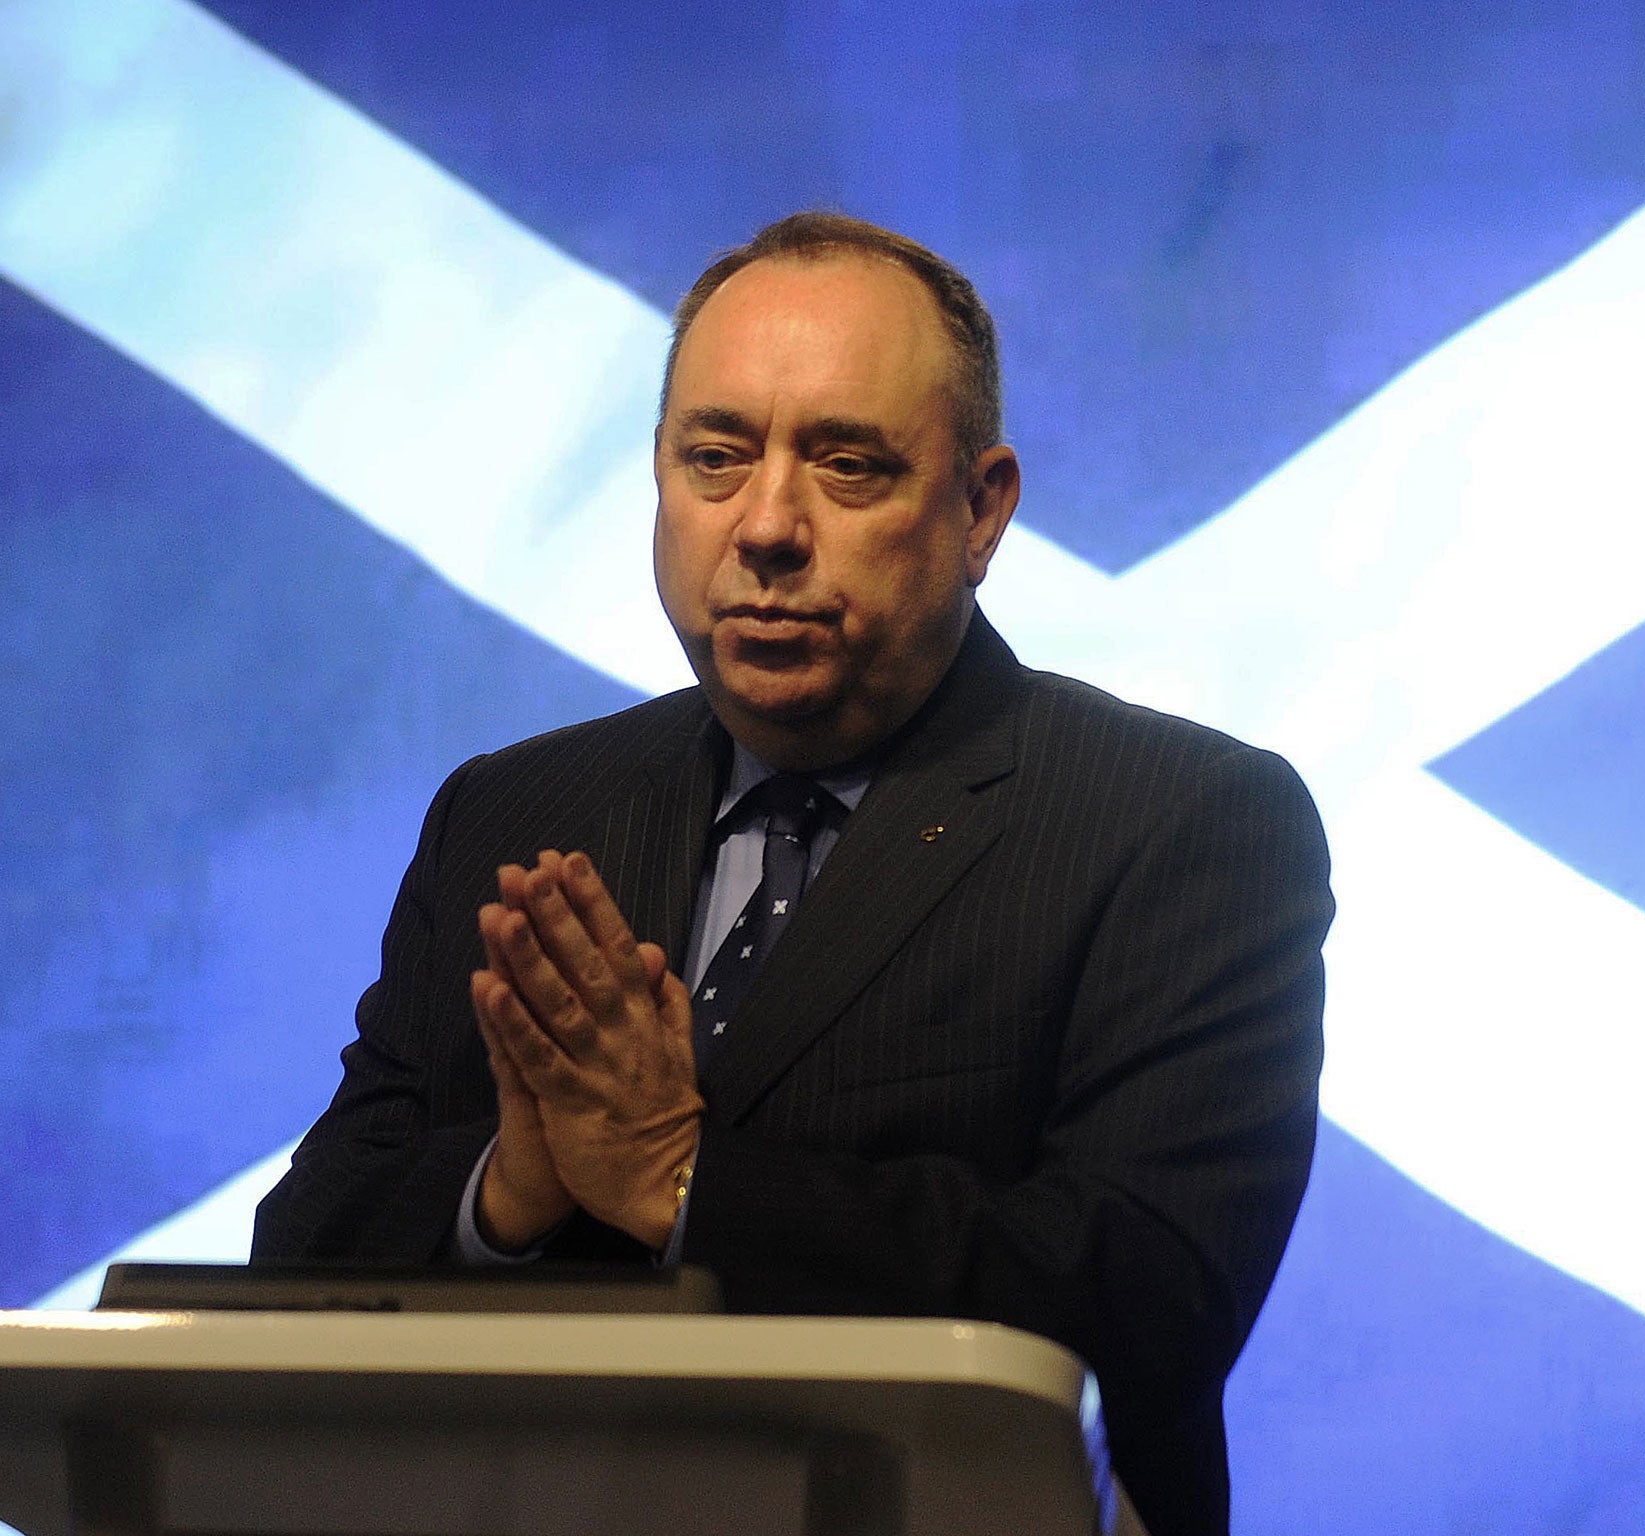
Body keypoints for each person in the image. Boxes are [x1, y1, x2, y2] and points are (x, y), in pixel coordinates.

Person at [252, 211, 1334, 1536]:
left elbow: (1143, 1308)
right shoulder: (516, 810)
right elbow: (301, 1253)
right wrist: (510, 1196)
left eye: (848, 466)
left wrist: (679, 1179)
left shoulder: (1180, 824)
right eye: (716, 458)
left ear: (981, 507)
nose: (766, 525)